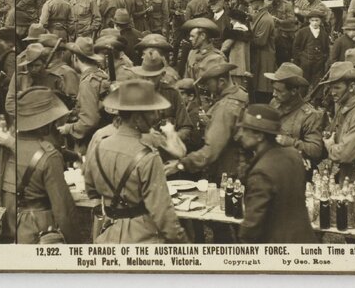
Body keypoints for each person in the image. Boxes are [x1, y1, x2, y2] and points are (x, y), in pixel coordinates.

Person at [82, 79, 188, 243]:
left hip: (108, 235)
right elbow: (162, 213)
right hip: (143, 238)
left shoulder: (98, 146)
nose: (156, 117)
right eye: (151, 112)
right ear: (137, 117)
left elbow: (91, 190)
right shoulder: (148, 157)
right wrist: (182, 243)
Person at [235, 104, 317, 243]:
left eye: (245, 129)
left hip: (277, 248)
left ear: (260, 135)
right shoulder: (293, 155)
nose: (240, 134)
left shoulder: (261, 172)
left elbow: (253, 223)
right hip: (304, 240)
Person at [15, 87, 77, 244]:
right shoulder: (49, 156)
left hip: (13, 223)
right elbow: (63, 209)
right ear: (45, 123)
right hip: (41, 227)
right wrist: (74, 244)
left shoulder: (10, 146)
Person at [171, 62, 246, 181]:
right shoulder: (241, 94)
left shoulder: (225, 107)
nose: (206, 87)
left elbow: (211, 151)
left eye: (208, 83)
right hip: (239, 166)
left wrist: (181, 164)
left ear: (222, 82)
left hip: (227, 169)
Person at [264, 63, 325, 166]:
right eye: (274, 89)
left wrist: (291, 143)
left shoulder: (310, 115)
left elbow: (316, 150)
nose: (274, 94)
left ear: (293, 91)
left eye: (279, 91)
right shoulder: (274, 103)